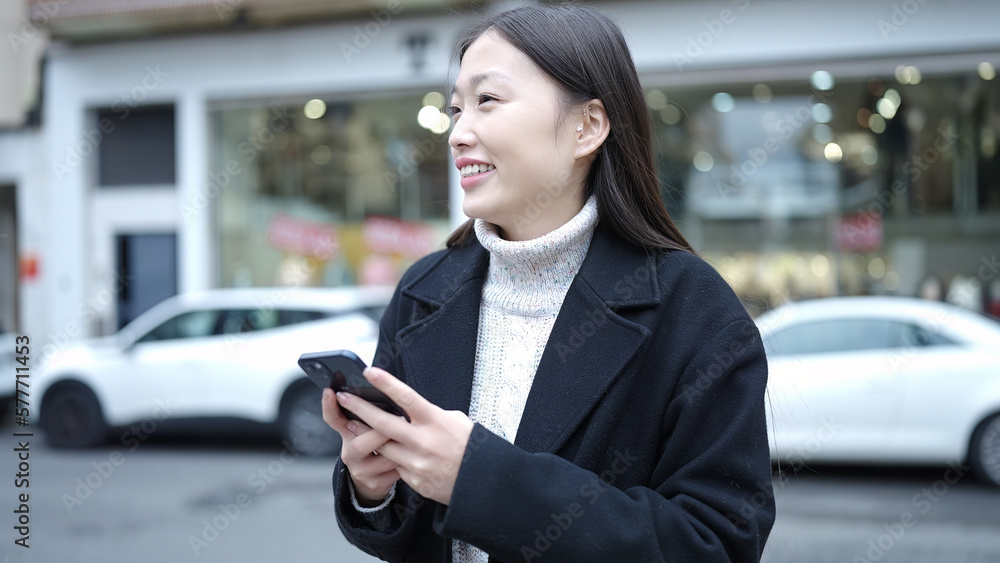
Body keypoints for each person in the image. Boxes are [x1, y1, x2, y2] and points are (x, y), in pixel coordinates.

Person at [321, 5, 775, 562]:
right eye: (456, 108)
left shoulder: (695, 310)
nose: (458, 133)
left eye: (487, 101)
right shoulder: (424, 289)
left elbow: (716, 546)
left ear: (587, 127)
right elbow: (409, 538)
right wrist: (375, 487)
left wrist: (481, 479)